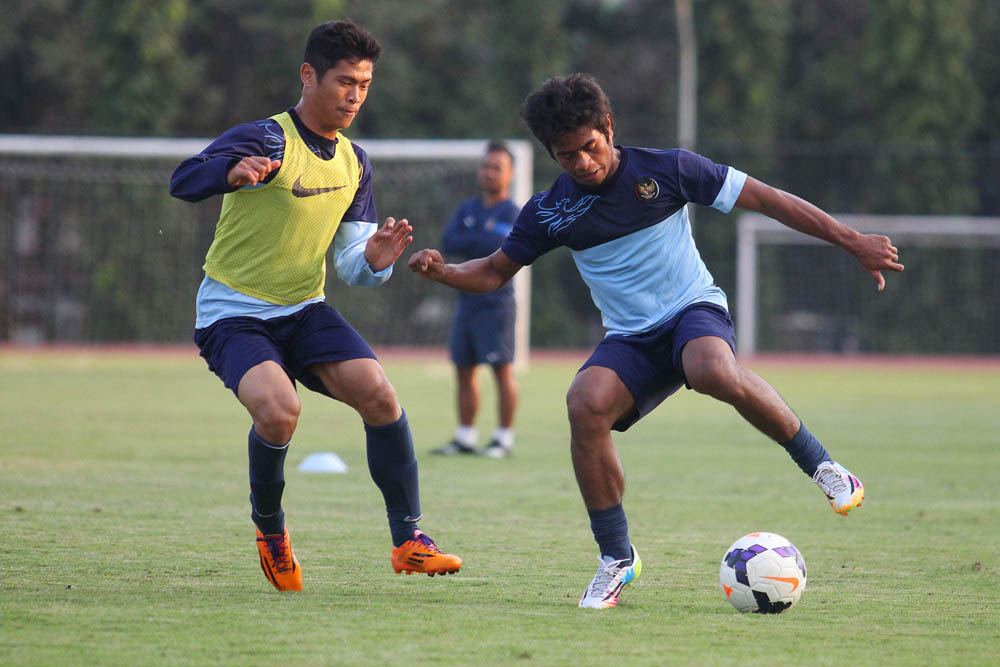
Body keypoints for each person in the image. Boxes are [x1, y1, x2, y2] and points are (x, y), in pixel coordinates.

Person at [409, 73, 903, 609]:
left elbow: (769, 199)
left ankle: (823, 466)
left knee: (712, 368)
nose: (583, 163)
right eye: (566, 156)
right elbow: (493, 271)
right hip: (631, 339)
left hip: (693, 309)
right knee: (584, 404)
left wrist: (851, 240)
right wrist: (445, 273)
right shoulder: (550, 211)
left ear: (609, 128)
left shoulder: (669, 169)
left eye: (590, 148)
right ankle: (616, 558)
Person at [169, 19, 461, 592]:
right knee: (279, 412)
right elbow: (183, 181)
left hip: (304, 309)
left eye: (365, 84)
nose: (355, 95)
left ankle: (408, 542)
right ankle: (271, 534)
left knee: (380, 394)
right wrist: (229, 172)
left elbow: (352, 268)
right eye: (345, 81)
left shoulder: (355, 162)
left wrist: (375, 259)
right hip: (234, 311)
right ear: (309, 76)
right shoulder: (266, 138)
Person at [431, 142, 521, 459]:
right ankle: (466, 437)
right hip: (466, 302)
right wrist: (482, 236)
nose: (489, 172)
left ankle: (503, 439)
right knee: (463, 369)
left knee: (501, 369)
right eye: (485, 166)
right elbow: (449, 240)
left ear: (510, 174)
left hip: (497, 304)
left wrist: (480, 238)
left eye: (496, 167)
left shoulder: (513, 212)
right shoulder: (468, 208)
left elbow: (503, 245)